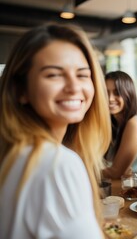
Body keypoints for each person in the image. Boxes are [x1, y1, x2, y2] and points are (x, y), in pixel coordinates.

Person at [0, 23, 111, 238]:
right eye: (54, 75)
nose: (73, 87)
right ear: (21, 89)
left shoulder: (14, 153)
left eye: (82, 75)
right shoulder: (57, 164)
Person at [102, 70, 137, 180]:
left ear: (128, 94)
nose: (110, 99)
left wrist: (81, 170)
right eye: (106, 93)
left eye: (117, 92)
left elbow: (115, 172)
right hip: (121, 189)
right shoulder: (112, 124)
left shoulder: (134, 123)